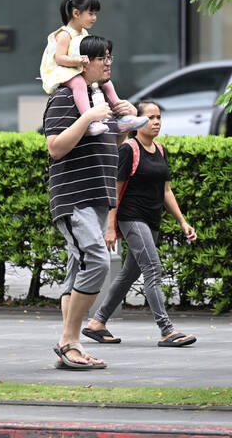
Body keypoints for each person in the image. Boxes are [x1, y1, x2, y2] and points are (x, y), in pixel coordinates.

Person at [44, 34, 140, 370]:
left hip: (97, 196)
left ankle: (72, 346)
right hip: (74, 198)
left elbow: (110, 143)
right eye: (102, 57)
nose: (108, 62)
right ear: (84, 61)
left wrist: (123, 122)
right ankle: (68, 341)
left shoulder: (99, 99)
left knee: (78, 269)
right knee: (97, 261)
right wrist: (87, 119)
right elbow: (55, 148)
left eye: (110, 56)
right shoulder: (64, 99)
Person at [83, 100, 198, 347]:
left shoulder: (160, 149)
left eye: (159, 117)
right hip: (131, 218)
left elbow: (166, 191)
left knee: (129, 273)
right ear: (137, 123)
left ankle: (97, 322)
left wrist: (182, 222)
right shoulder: (128, 150)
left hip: (151, 219)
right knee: (153, 269)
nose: (156, 122)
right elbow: (115, 189)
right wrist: (111, 226)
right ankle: (167, 331)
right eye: (150, 117)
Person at [39, 0, 148, 136]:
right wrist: (77, 60)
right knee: (78, 83)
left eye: (96, 14)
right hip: (61, 70)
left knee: (107, 82)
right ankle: (91, 121)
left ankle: (124, 117)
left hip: (76, 68)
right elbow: (59, 58)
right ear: (76, 13)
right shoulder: (65, 34)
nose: (94, 18)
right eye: (91, 13)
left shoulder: (83, 33)